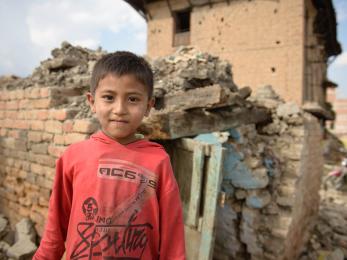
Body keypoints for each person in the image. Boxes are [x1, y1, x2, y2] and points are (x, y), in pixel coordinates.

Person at [33, 51, 186, 259]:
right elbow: (55, 230)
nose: (120, 109)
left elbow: (172, 238)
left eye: (132, 99)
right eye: (108, 97)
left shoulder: (158, 161)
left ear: (148, 106)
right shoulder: (73, 157)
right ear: (92, 102)